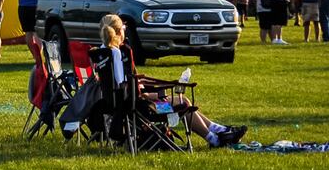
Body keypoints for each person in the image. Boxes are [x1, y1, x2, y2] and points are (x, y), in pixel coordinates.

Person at [99, 14, 244, 146]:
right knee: (182, 103)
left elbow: (119, 86)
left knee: (180, 101)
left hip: (122, 106)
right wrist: (150, 94)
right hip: (140, 108)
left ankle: (219, 131)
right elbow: (125, 87)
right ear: (119, 32)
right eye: (124, 27)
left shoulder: (100, 53)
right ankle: (216, 138)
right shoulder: (119, 53)